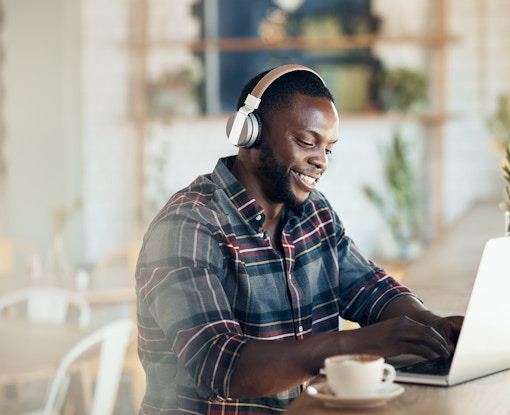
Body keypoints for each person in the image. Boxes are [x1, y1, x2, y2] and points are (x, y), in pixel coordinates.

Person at [135, 64, 463, 414]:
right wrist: (358, 342)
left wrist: (431, 324)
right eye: (307, 142)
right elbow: (222, 366)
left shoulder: (313, 213)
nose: (320, 161)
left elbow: (370, 288)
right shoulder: (188, 226)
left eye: (328, 149)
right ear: (251, 133)